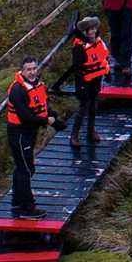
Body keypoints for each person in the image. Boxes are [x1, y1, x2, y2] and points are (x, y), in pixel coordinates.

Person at [4, 56, 54, 217]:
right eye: (28, 69)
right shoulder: (17, 90)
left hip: (29, 132)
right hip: (19, 133)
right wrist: (46, 120)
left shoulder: (37, 85)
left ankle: (17, 202)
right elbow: (25, 116)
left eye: (34, 68)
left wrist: (53, 118)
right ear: (22, 71)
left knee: (22, 167)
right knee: (26, 168)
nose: (32, 72)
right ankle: (27, 208)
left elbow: (43, 106)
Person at [53, 16, 110, 158]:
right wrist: (81, 86)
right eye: (90, 29)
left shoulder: (98, 41)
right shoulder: (79, 46)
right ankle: (74, 135)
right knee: (83, 108)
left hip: (97, 79)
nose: (92, 31)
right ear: (84, 31)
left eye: (94, 28)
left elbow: (104, 58)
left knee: (93, 106)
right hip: (85, 82)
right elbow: (78, 69)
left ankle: (91, 131)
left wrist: (107, 73)